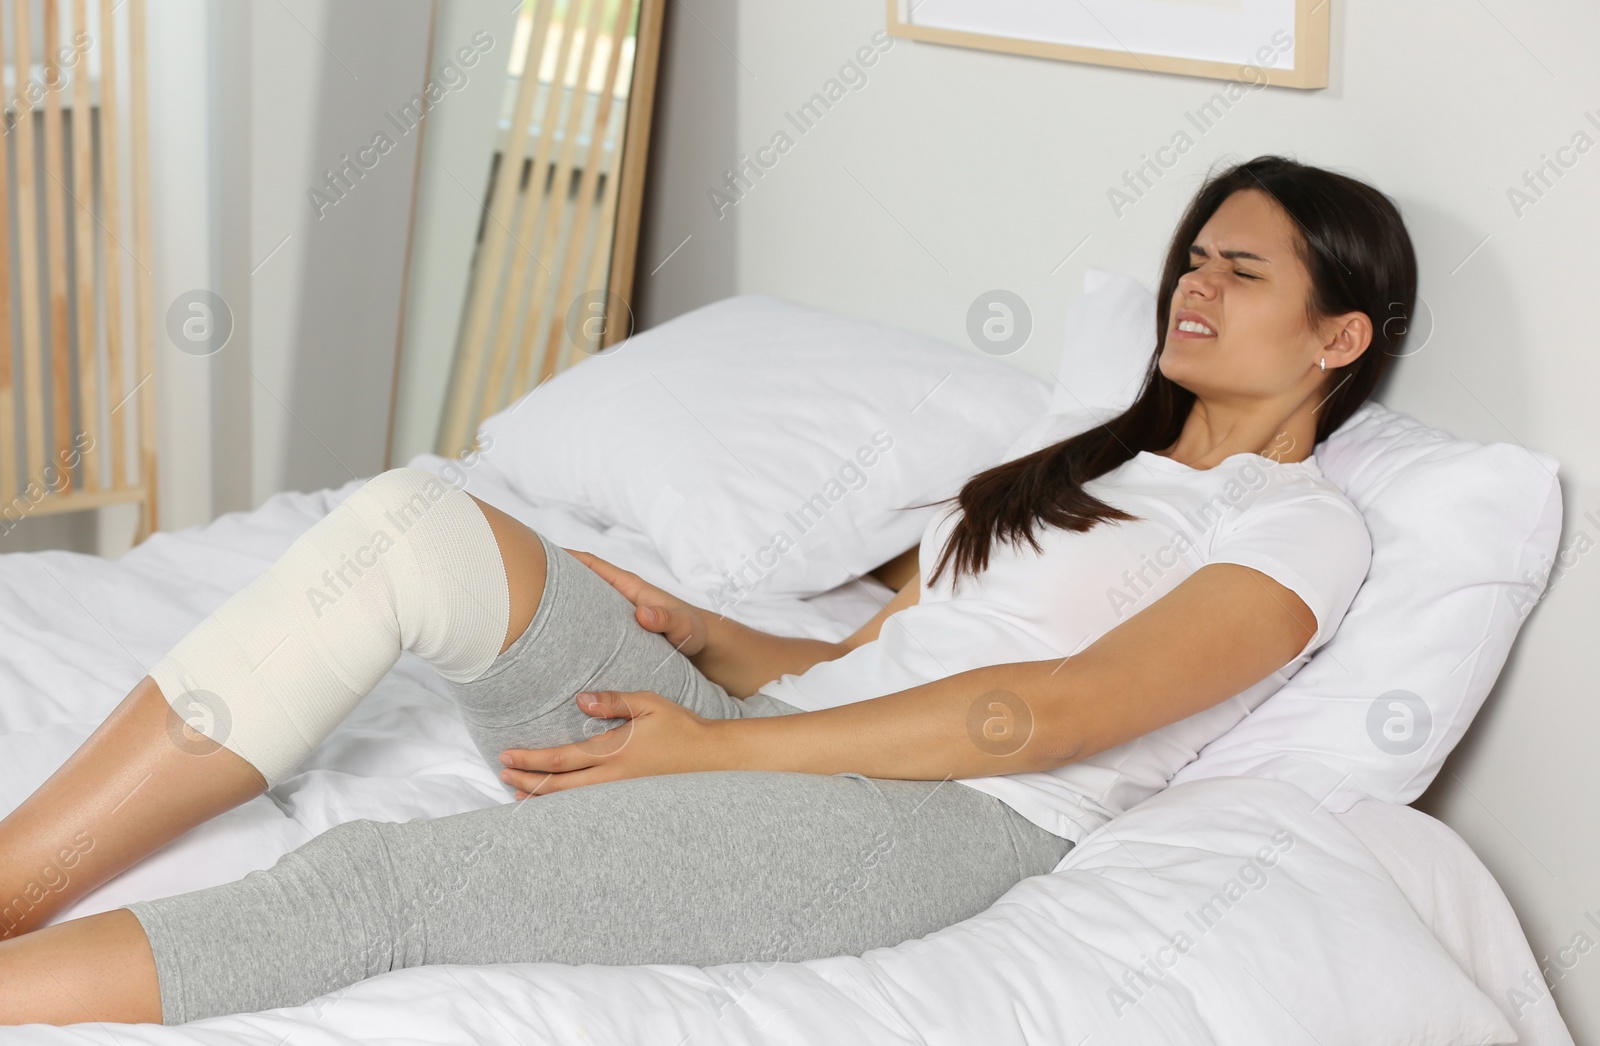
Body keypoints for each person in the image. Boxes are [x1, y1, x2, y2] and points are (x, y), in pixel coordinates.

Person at [0, 153, 1414, 1026]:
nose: (1196, 282)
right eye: (1192, 256)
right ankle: (16, 879)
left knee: (382, 883)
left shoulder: (1303, 527)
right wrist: (711, 645)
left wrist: (728, 746)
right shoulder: (1079, 469)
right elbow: (886, 649)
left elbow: (1032, 714)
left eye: (1242, 266)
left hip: (936, 824)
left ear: (1339, 332)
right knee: (415, 528)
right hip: (797, 737)